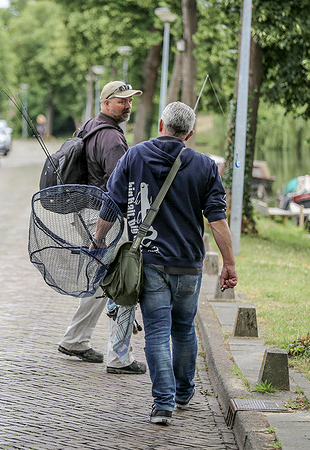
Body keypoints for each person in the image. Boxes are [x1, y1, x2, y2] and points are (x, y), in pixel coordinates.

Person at [93, 101, 238, 425]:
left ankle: (163, 403)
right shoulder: (204, 165)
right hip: (188, 265)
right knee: (184, 328)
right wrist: (229, 263)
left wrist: (98, 240)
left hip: (152, 262)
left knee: (157, 331)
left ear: (161, 125)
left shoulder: (136, 155)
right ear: (190, 133)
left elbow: (111, 203)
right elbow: (217, 220)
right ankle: (185, 391)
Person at [57, 80, 148, 375]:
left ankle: (75, 340)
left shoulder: (89, 127)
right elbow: (121, 185)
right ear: (106, 103)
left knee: (100, 280)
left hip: (86, 212)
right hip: (103, 217)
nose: (127, 106)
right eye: (122, 101)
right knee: (123, 280)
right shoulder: (112, 139)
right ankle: (119, 357)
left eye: (130, 101)